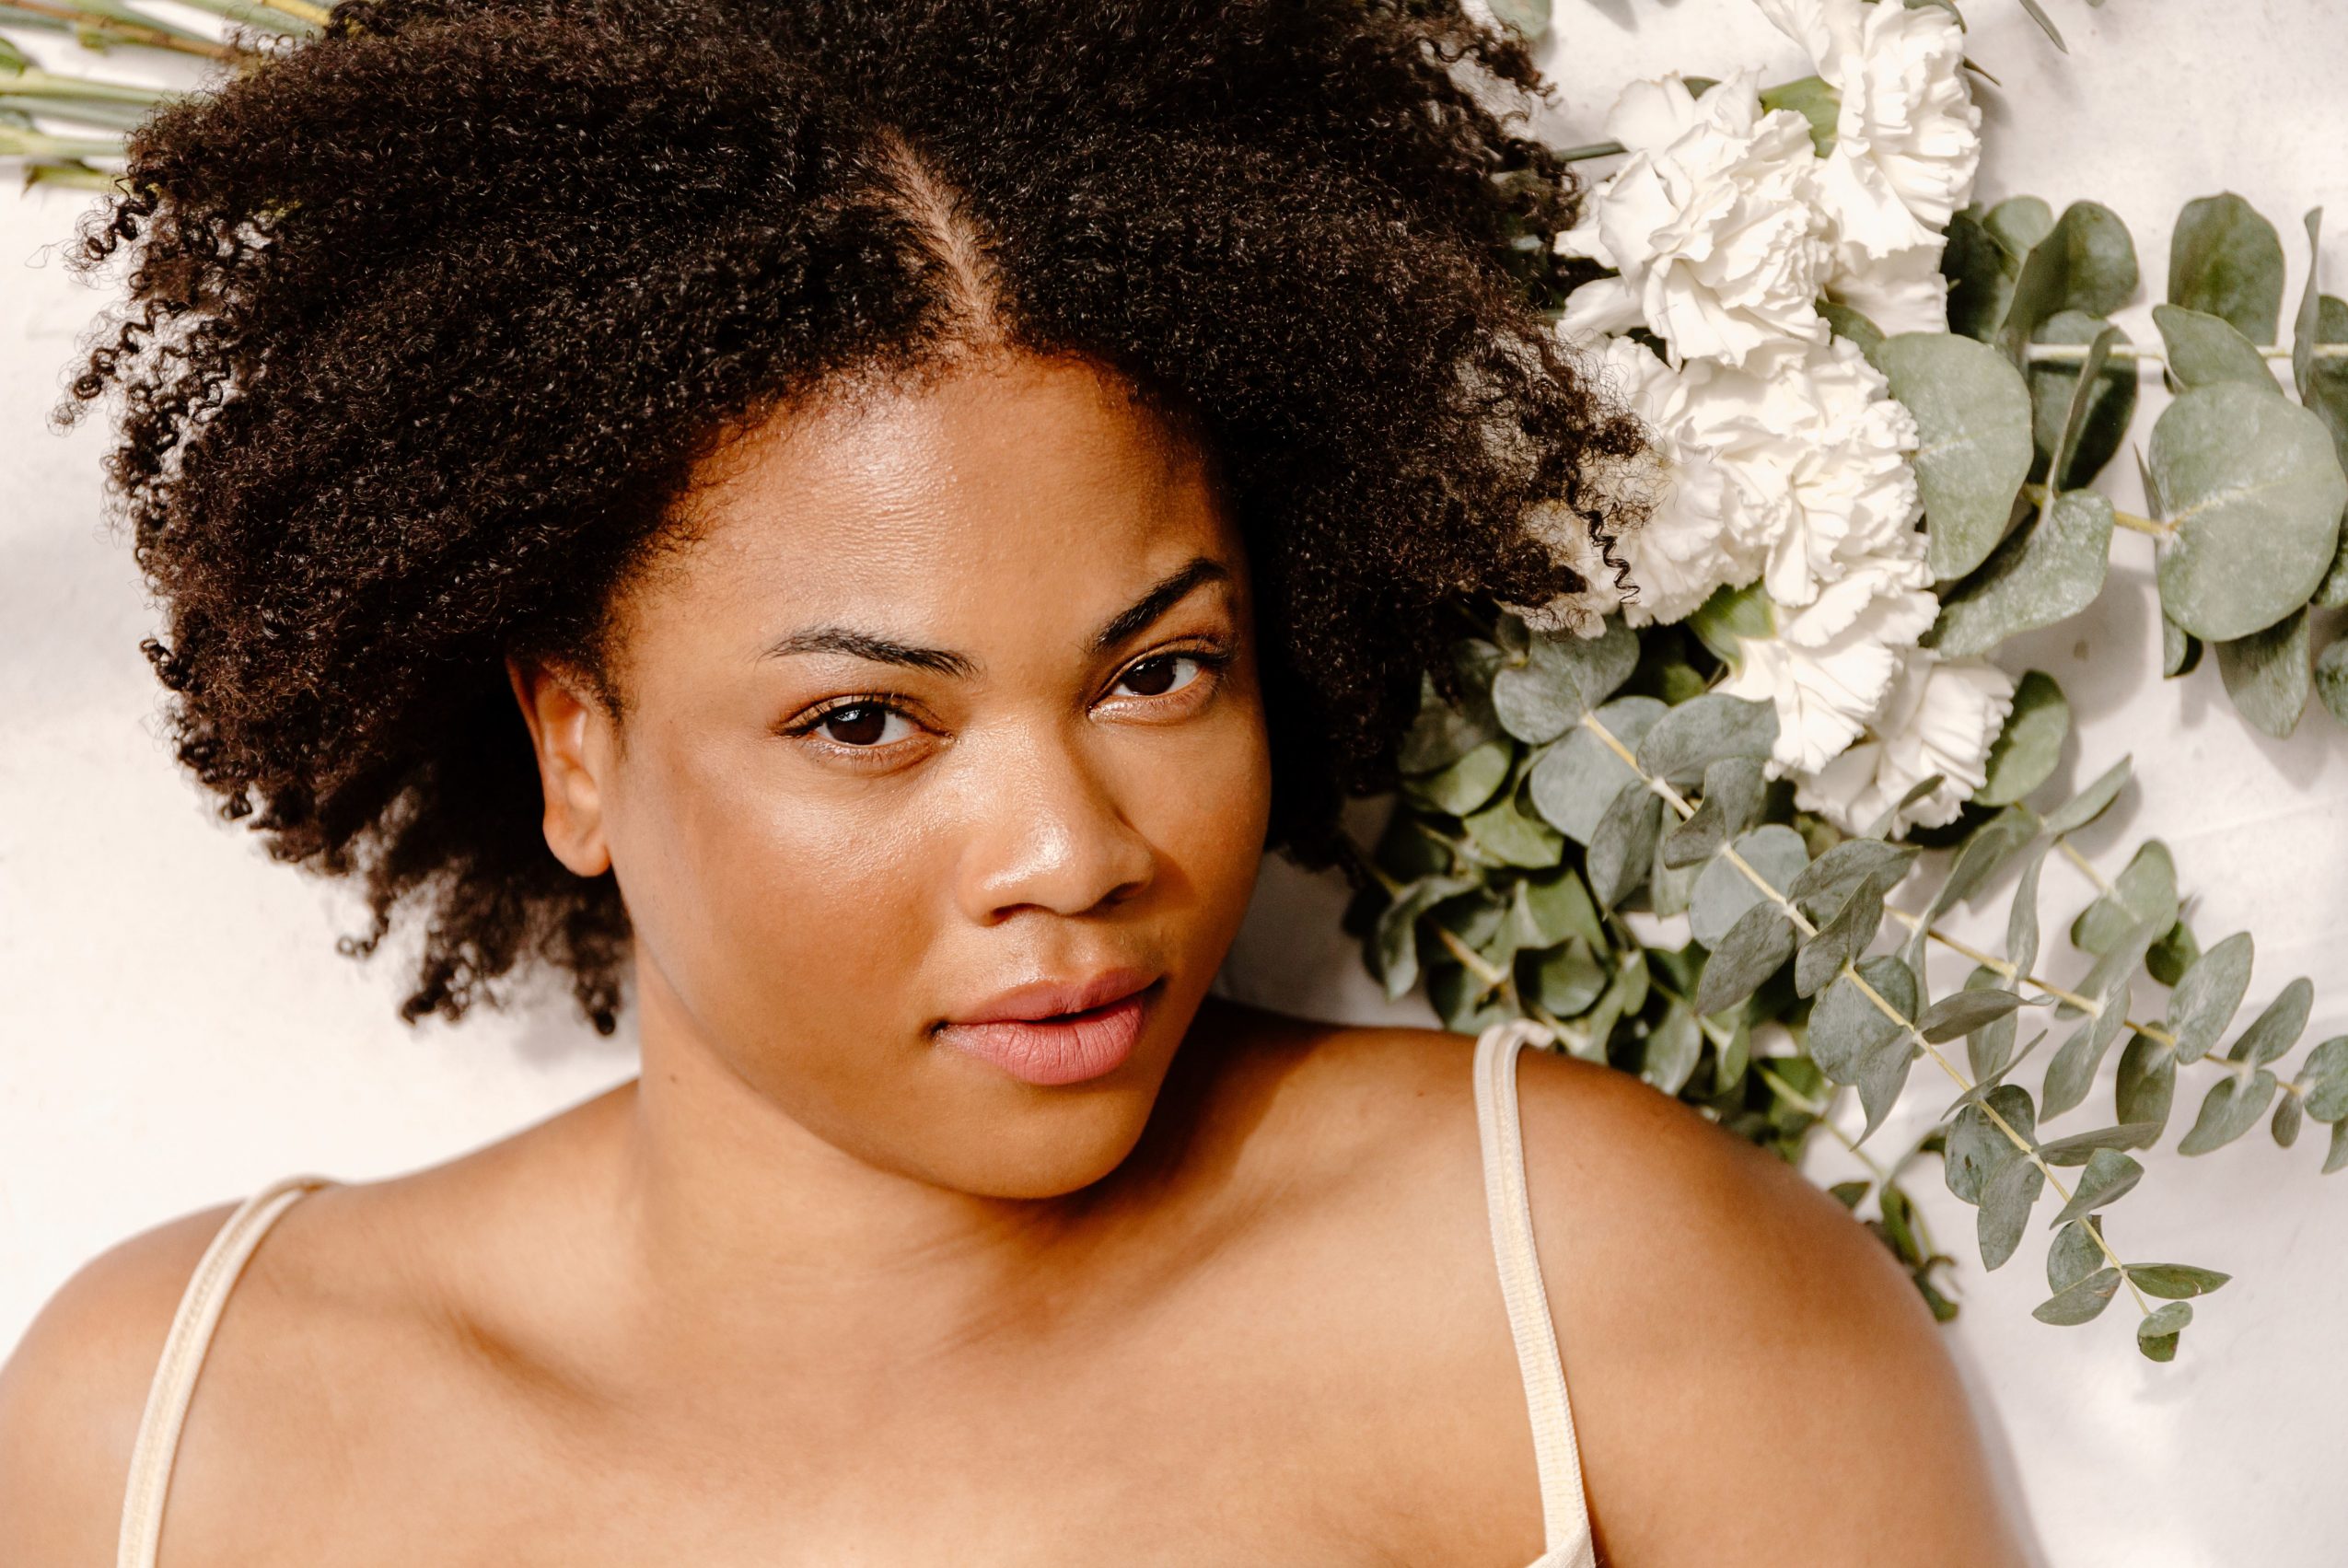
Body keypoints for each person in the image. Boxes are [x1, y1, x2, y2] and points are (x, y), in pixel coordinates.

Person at [0, 0, 2028, 1562]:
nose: (1071, 853)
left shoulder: (1597, 1298)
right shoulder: (167, 1431)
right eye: (865, 722)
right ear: (574, 746)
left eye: (1157, 673)